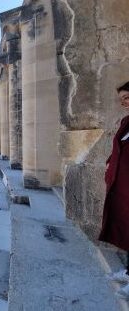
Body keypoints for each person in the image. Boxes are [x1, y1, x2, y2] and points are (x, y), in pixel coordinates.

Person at [102, 81, 129, 296]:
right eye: (122, 100)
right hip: (121, 184)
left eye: (127, 97)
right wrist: (109, 163)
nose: (124, 103)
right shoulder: (126, 121)